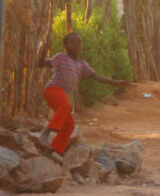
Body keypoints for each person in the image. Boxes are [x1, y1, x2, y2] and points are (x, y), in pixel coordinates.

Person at [37, 32, 131, 163]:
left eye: (79, 42)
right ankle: (45, 135)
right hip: (52, 90)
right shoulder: (60, 57)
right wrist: (43, 50)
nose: (77, 44)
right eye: (73, 42)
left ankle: (51, 151)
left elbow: (97, 77)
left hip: (62, 96)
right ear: (65, 45)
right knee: (66, 106)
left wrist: (115, 82)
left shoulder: (81, 64)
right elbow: (41, 64)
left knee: (69, 126)